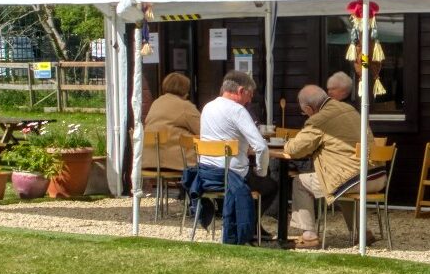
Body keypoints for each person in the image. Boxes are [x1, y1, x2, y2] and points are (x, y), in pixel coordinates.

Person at [284, 82, 374, 248]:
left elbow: (295, 149)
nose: (305, 115)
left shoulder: (319, 120)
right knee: (342, 182)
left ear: (310, 109)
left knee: (300, 182)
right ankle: (362, 232)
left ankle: (309, 235)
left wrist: (286, 142)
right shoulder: (349, 109)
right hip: (375, 176)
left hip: (354, 179)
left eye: (303, 112)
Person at [194, 70, 278, 244]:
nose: (250, 100)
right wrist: (261, 172)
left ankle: (249, 225)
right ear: (241, 91)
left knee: (254, 179)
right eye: (250, 95)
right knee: (270, 186)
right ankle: (249, 226)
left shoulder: (208, 107)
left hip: (206, 175)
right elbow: (261, 147)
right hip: (232, 175)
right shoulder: (238, 111)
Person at [142, 71, 200, 170]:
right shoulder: (185, 106)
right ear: (185, 89)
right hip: (176, 162)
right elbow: (203, 130)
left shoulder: (156, 103)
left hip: (149, 161)